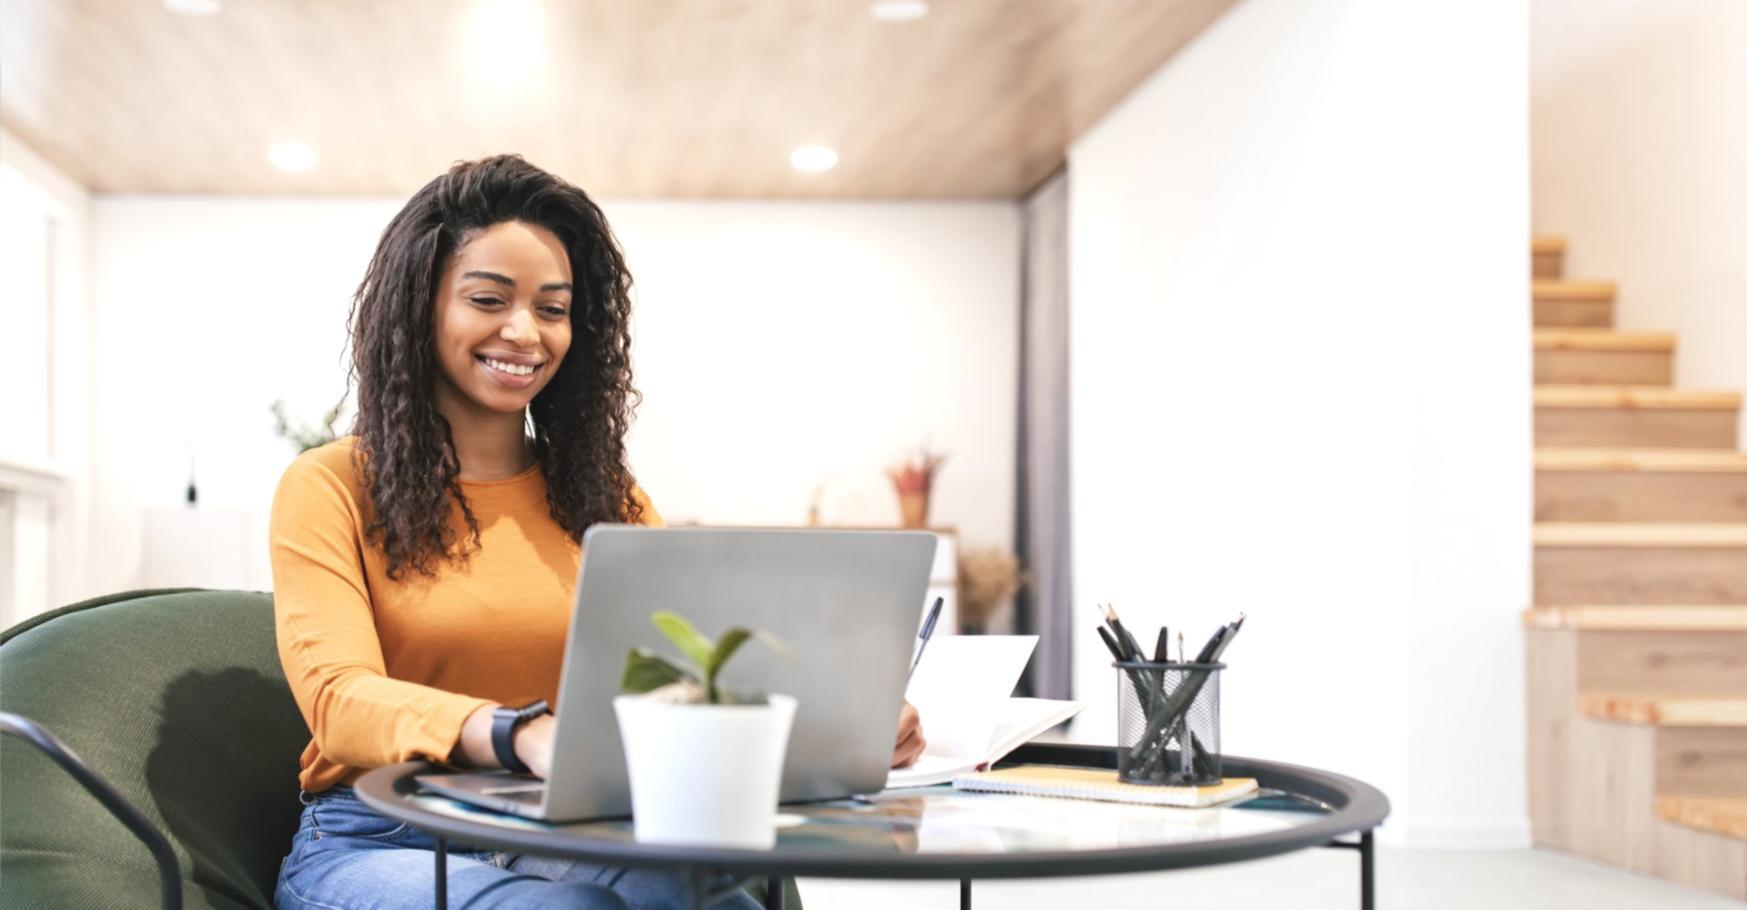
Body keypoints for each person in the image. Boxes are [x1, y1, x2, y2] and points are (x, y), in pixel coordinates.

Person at [269, 155, 927, 910]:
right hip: (382, 836)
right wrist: (516, 734)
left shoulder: (604, 498)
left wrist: (835, 725)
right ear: (419, 307)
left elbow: (686, 677)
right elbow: (338, 700)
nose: (524, 331)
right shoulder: (329, 485)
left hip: (565, 831)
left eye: (553, 309)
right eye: (488, 299)